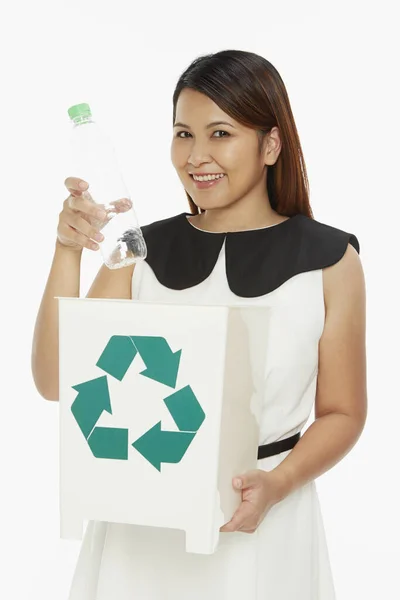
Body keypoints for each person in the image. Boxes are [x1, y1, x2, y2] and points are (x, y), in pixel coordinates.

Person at [31, 49, 367, 599]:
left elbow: (343, 412)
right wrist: (68, 250)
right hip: (140, 522)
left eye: (220, 133)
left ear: (271, 145)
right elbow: (53, 380)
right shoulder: (141, 250)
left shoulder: (330, 260)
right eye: (183, 134)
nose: (197, 155)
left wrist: (277, 484)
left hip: (263, 521)